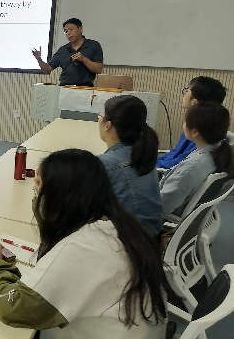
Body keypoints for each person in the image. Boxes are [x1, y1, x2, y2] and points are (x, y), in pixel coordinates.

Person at [0, 149, 167, 339]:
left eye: (39, 185)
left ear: (59, 195)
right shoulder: (119, 224)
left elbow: (14, 307)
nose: (35, 190)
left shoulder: (84, 248)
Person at [98, 95, 162, 236]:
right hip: (150, 236)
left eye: (100, 115)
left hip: (129, 242)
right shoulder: (142, 152)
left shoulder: (106, 164)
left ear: (108, 125)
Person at [160, 102, 234, 215]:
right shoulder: (220, 151)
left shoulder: (191, 167)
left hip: (162, 214)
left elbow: (162, 206)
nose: (184, 125)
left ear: (195, 132)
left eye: (186, 122)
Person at [157, 76, 229, 169]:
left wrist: (150, 165)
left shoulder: (200, 131)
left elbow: (181, 162)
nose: (184, 93)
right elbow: (175, 154)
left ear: (194, 102)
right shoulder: (202, 125)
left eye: (187, 90)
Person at [31, 18, 103, 86]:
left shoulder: (93, 45)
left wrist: (84, 59)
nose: (68, 33)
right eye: (66, 31)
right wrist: (39, 59)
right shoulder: (62, 50)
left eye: (71, 29)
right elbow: (47, 70)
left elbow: (98, 70)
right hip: (65, 87)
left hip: (85, 88)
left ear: (80, 29)